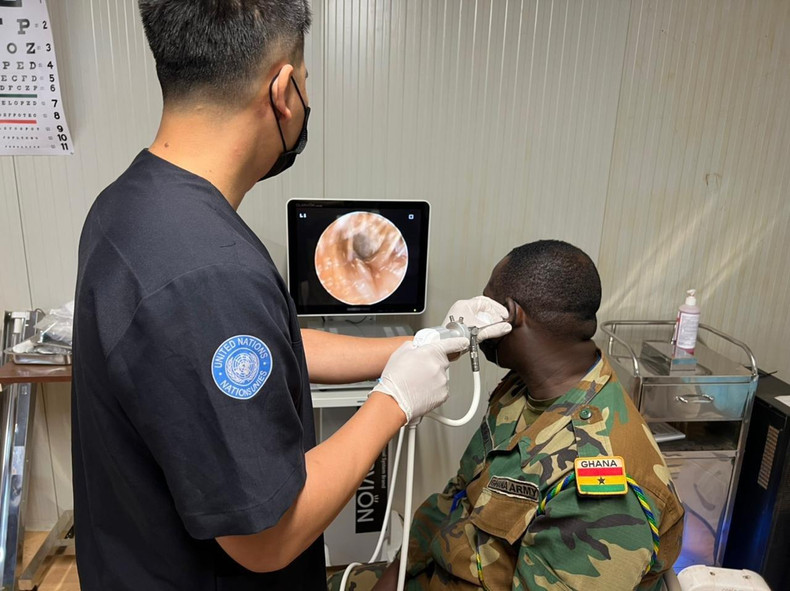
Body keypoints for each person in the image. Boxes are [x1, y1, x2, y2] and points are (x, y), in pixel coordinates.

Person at [70, 2, 510, 590]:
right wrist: (393, 403)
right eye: (306, 83)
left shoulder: (130, 205)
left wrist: (428, 343)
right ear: (283, 91)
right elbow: (269, 535)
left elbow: (260, 349)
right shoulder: (208, 273)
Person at [329, 240, 684, 591]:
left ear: (511, 315)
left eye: (485, 303)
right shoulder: (522, 391)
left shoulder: (596, 482)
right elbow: (455, 499)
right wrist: (394, 576)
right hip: (435, 571)